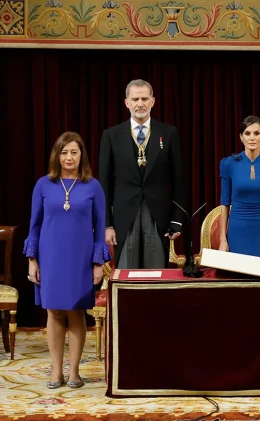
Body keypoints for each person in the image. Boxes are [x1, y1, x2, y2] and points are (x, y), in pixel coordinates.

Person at [24, 132, 110, 389]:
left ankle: (74, 372)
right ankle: (56, 372)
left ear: (81, 154)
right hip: (50, 258)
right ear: (56, 156)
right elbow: (34, 226)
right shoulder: (43, 185)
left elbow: (100, 227)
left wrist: (97, 263)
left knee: (76, 312)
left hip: (80, 259)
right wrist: (32, 259)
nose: (69, 157)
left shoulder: (93, 186)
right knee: (54, 311)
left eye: (73, 152)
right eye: (64, 152)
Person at [99, 79, 185, 268]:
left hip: (158, 215)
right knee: (127, 276)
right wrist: (107, 225)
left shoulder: (169, 133)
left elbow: (178, 180)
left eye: (144, 98)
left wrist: (177, 219)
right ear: (126, 103)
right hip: (124, 216)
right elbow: (104, 183)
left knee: (155, 276)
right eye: (135, 99)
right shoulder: (111, 136)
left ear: (152, 101)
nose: (140, 103)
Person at [218, 116, 260, 258]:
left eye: (256, 133)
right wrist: (223, 239)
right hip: (237, 230)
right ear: (241, 137)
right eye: (247, 133)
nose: (252, 138)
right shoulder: (229, 164)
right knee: (238, 277)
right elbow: (224, 203)